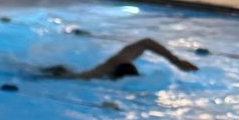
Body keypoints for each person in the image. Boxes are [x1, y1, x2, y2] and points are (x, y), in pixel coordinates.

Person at [36, 36, 198, 80]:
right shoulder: (99, 73)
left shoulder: (125, 59)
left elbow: (147, 42)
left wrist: (175, 61)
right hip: (61, 73)